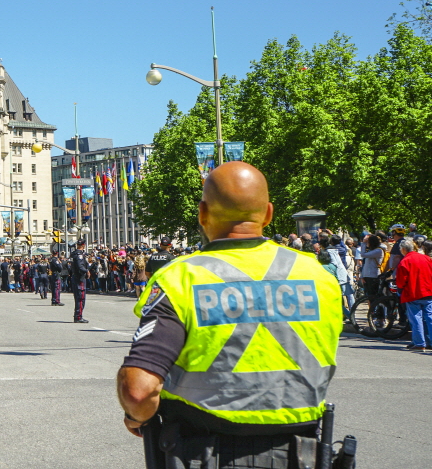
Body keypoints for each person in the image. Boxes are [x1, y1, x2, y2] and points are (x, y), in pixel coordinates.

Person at [116, 162, 341, 468]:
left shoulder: (181, 279)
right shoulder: (318, 277)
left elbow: (139, 390)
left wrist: (135, 416)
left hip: (204, 449)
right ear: (268, 213)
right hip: (300, 453)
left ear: (203, 213)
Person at [394, 238, 432, 352]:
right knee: (430, 318)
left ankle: (420, 342)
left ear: (404, 249)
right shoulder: (426, 258)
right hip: (428, 291)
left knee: (416, 318)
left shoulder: (405, 261)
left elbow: (401, 281)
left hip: (413, 293)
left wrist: (399, 290)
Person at [68, 239, 88, 323]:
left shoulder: (73, 254)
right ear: (83, 245)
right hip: (80, 278)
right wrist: (86, 271)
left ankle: (77, 315)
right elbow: (80, 266)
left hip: (74, 277)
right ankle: (78, 316)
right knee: (80, 298)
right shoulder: (79, 255)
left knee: (78, 298)